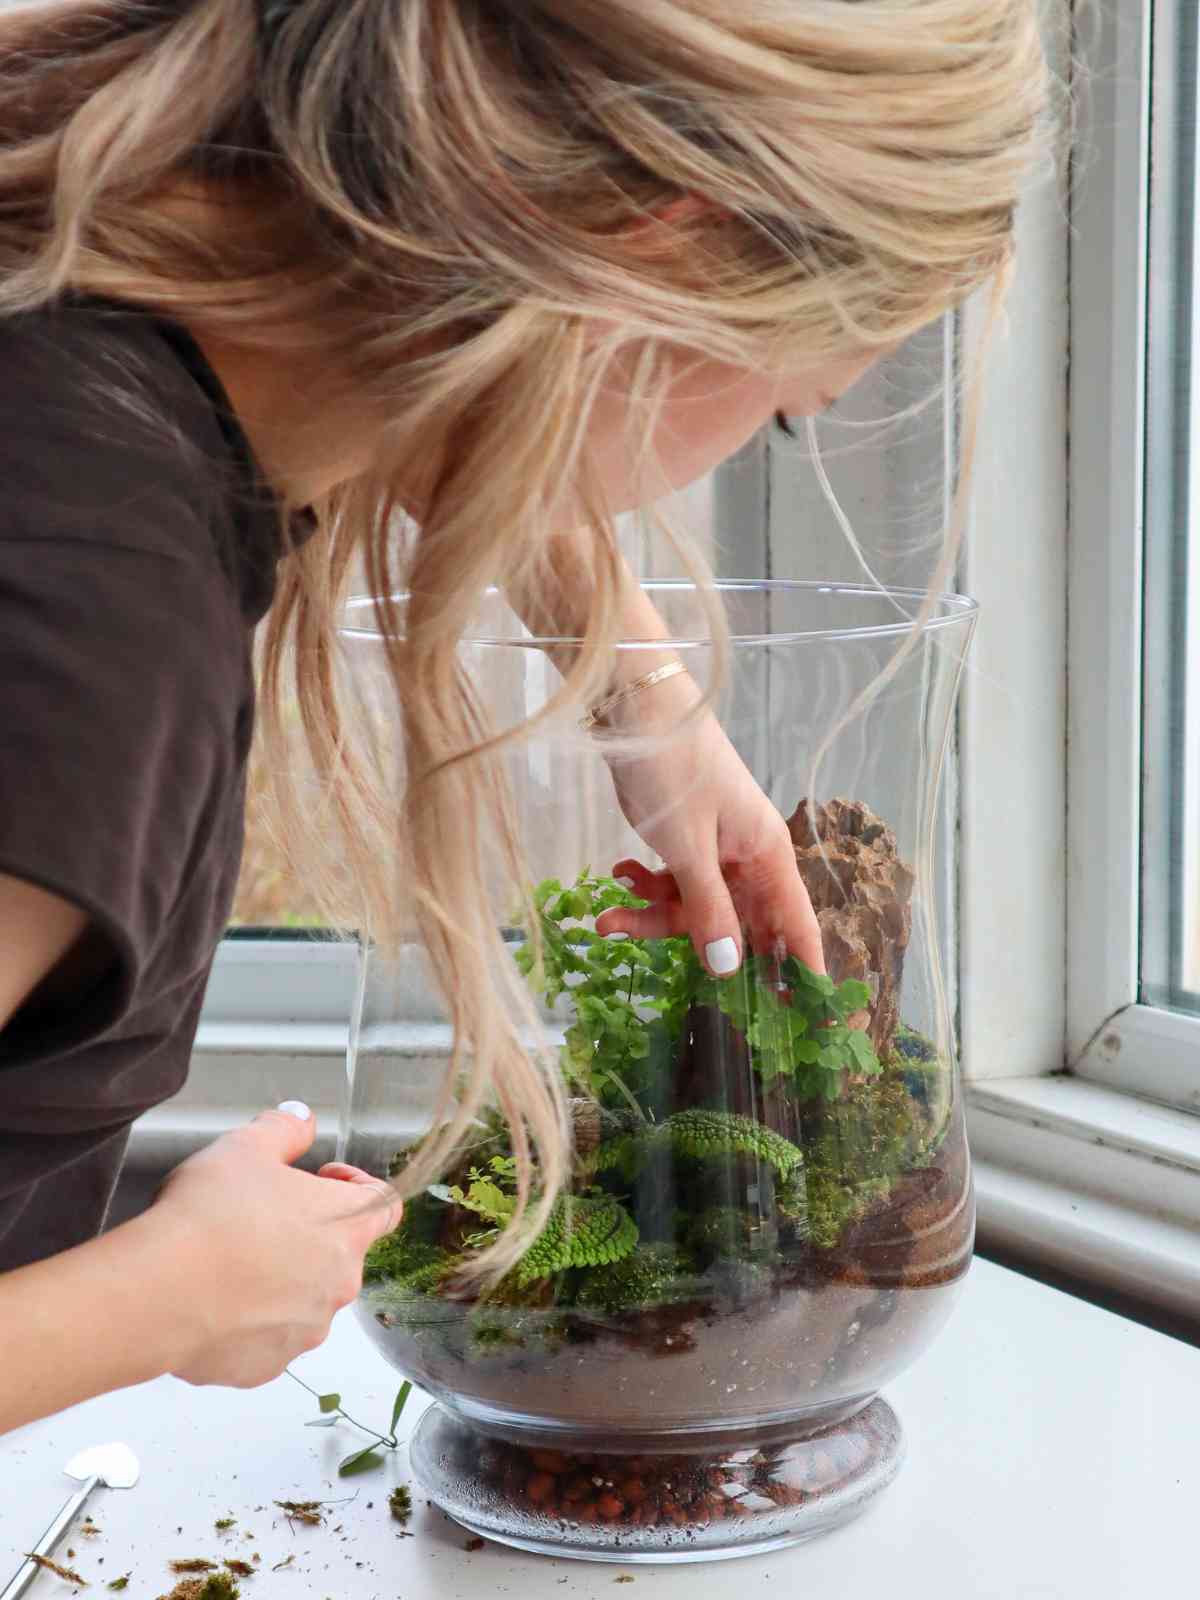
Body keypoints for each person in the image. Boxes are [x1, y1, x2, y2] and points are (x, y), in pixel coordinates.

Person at [0, 0, 1049, 1432]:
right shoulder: (84, 613)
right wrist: (168, 1297)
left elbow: (491, 356)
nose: (773, 430)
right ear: (656, 251)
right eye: (794, 404)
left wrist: (644, 696)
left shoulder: (83, 263)